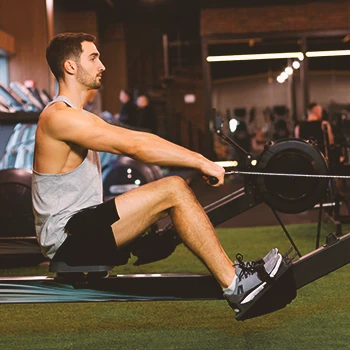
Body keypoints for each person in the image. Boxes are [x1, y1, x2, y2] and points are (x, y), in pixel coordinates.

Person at [31, 32, 282, 312]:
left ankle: (232, 272)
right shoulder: (58, 118)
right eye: (93, 57)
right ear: (70, 67)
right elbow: (135, 145)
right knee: (173, 188)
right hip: (68, 238)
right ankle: (237, 285)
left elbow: (140, 138)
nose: (102, 65)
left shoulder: (81, 117)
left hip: (82, 229)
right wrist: (200, 160)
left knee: (173, 195)